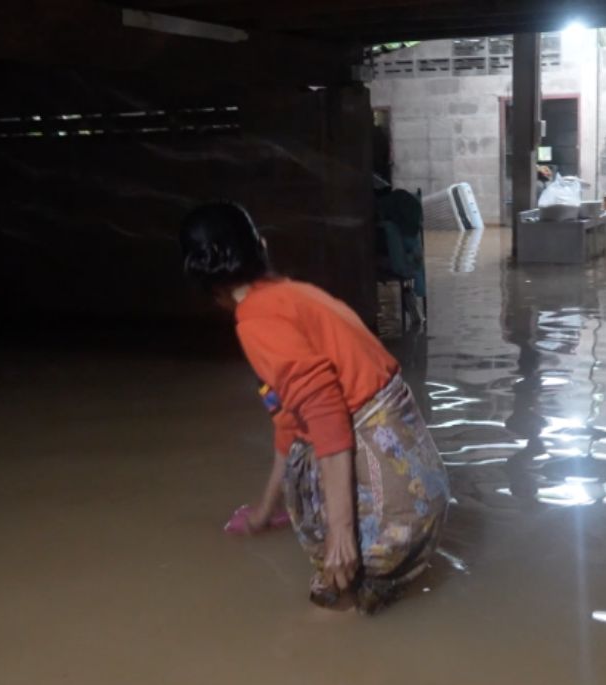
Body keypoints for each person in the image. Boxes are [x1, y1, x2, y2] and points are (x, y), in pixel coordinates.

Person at [178, 202, 450, 613]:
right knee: (300, 452)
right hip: (422, 491)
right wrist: (264, 511)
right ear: (262, 247)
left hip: (392, 519)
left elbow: (324, 414)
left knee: (331, 610)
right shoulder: (297, 297)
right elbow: (290, 420)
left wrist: (341, 536)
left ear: (205, 286)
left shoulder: (256, 321)